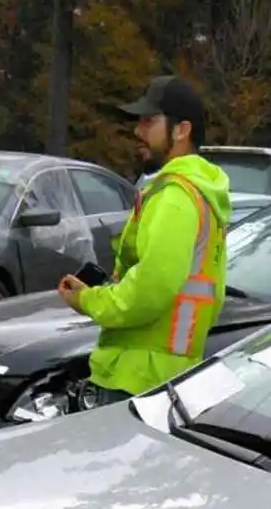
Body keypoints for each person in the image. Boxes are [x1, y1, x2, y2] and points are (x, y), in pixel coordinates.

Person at [57, 75, 232, 404]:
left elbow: (151, 288)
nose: (138, 132)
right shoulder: (199, 194)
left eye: (149, 122)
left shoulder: (176, 196)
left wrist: (90, 301)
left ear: (182, 130)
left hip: (137, 380)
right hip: (165, 376)